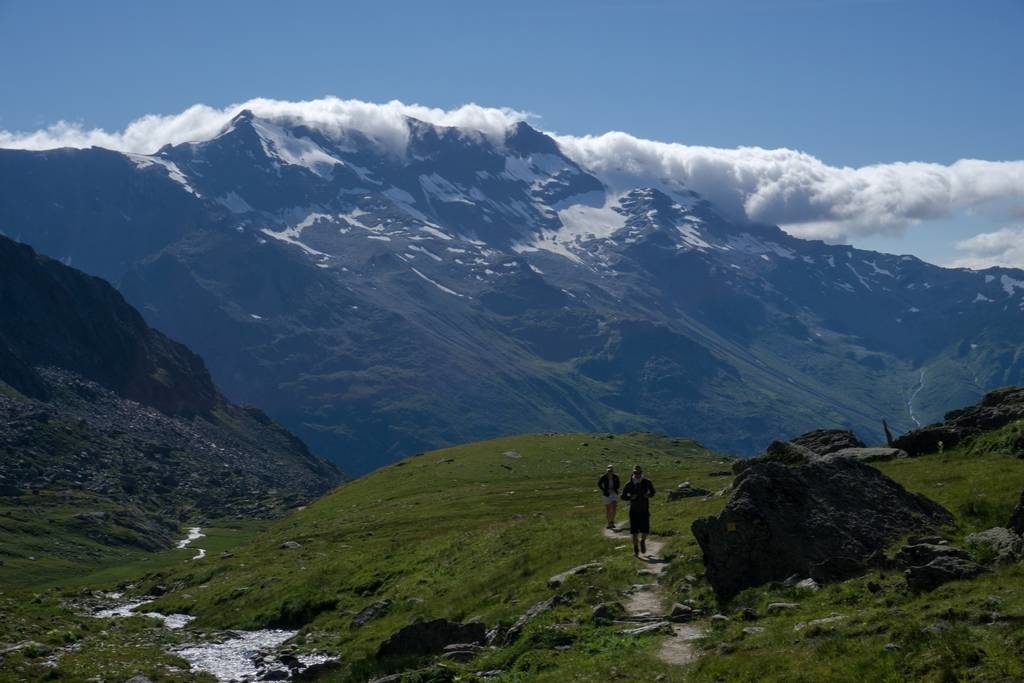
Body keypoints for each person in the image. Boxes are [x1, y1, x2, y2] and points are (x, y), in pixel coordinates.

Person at [621, 465, 656, 556]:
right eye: (635, 473)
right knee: (634, 532)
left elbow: (653, 492)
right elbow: (623, 496)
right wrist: (630, 497)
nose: (637, 475)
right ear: (633, 473)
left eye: (639, 473)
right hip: (634, 510)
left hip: (644, 509)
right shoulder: (629, 484)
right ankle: (636, 549)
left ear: (641, 473)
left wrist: (648, 495)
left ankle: (642, 541)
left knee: (645, 530)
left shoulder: (647, 482)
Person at [597, 465, 620, 530]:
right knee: (608, 509)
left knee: (614, 506)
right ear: (607, 471)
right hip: (606, 494)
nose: (610, 472)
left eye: (611, 471)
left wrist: (614, 489)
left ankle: (612, 521)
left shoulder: (616, 477)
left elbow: (618, 485)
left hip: (614, 493)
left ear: (613, 471)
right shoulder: (603, 477)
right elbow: (599, 484)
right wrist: (604, 490)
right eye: (609, 471)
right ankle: (609, 523)